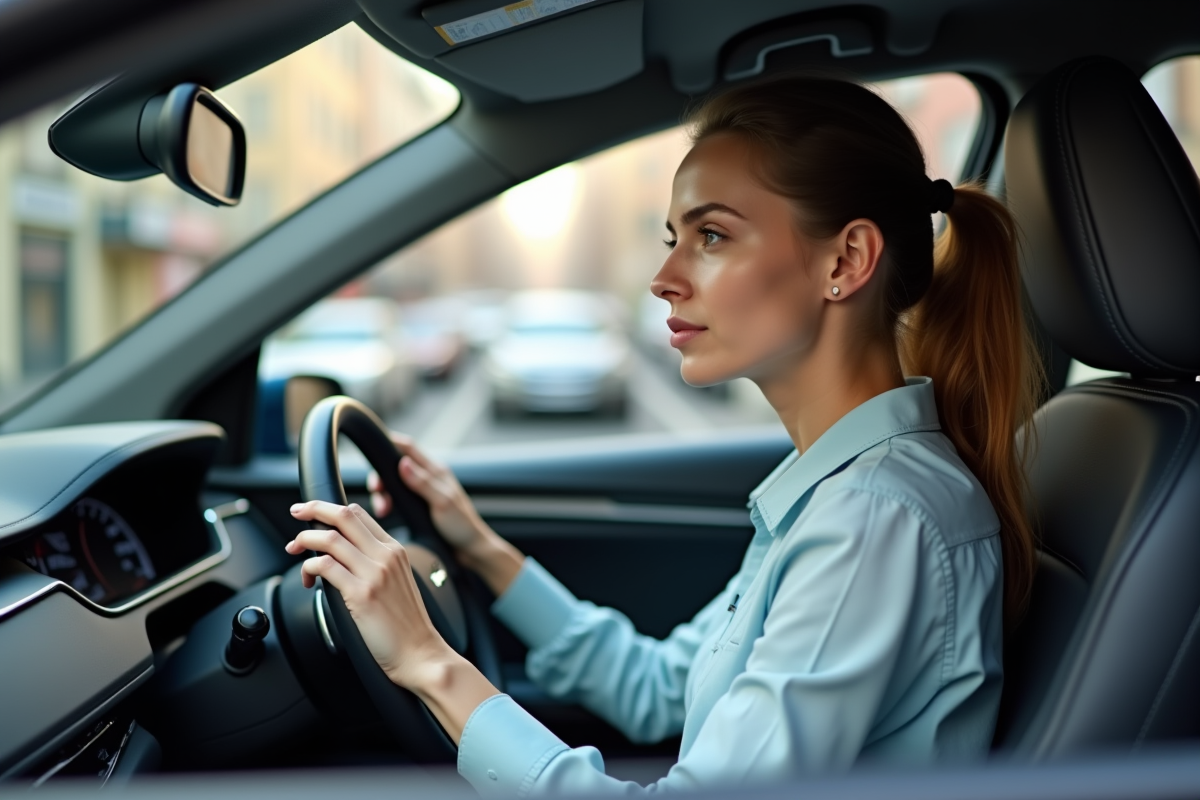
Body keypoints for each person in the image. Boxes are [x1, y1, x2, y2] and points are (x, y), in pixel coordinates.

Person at [283, 75, 1041, 794]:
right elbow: (657, 691)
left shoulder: (876, 520)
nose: (664, 277)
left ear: (844, 260)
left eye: (711, 236)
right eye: (673, 235)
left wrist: (424, 658)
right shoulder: (838, 494)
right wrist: (481, 549)